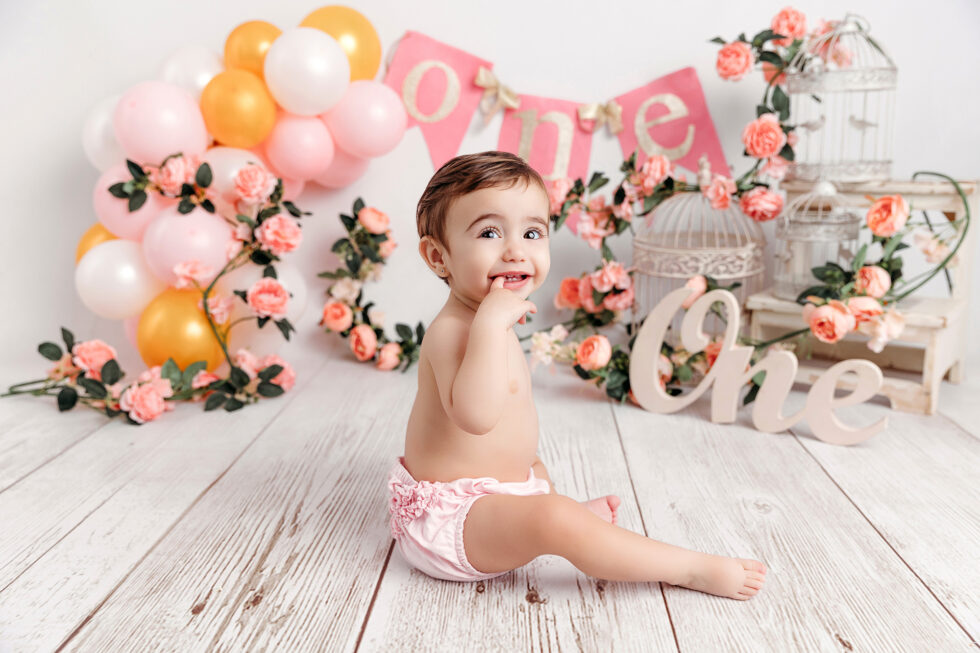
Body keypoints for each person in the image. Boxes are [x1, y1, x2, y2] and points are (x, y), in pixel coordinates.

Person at [386, 150, 766, 599]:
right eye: (489, 232)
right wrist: (488, 325)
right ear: (438, 256)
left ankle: (558, 523)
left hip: (502, 497)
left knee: (539, 476)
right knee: (555, 518)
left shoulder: (492, 313)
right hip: (455, 521)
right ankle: (687, 568)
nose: (515, 250)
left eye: (532, 233)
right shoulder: (453, 330)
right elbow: (477, 417)